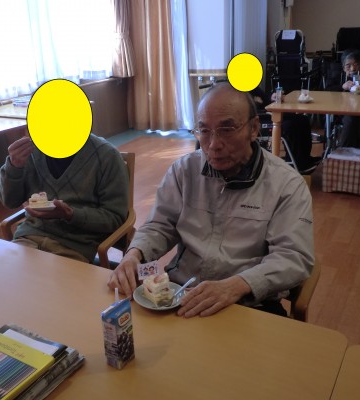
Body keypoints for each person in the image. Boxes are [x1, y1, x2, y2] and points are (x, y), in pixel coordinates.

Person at [107, 83, 314, 318]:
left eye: (227, 129)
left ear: (254, 128)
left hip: (249, 304)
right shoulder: (184, 171)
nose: (213, 145)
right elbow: (160, 225)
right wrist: (134, 254)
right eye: (204, 130)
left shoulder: (286, 185)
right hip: (180, 294)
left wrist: (237, 285)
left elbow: (293, 257)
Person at [0, 133, 129, 263]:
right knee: (2, 272)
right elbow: (10, 201)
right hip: (28, 237)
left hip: (74, 247)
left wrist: (70, 214)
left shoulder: (106, 155)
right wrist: (14, 166)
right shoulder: (31, 151)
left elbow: (115, 217)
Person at [250, 86, 320, 172]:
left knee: (303, 119)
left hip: (266, 112)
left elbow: (263, 97)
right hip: (259, 118)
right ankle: (299, 164)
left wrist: (272, 97)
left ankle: (305, 159)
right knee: (292, 125)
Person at [325, 49, 360, 149]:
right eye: (348, 65)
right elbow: (327, 90)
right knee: (350, 119)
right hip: (343, 108)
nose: (352, 68)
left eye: (356, 64)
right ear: (343, 67)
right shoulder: (337, 73)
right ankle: (346, 151)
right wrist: (342, 87)